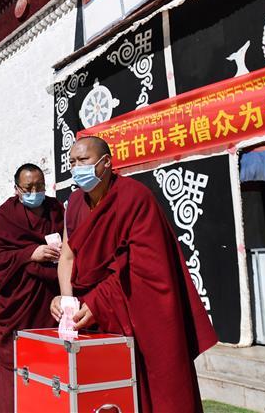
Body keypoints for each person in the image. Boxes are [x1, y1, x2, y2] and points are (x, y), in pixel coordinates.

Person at [50, 136, 218, 413]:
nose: (76, 167)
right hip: (92, 316)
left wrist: (99, 301)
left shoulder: (135, 197)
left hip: (135, 309)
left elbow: (147, 268)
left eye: (83, 160)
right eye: (72, 162)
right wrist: (69, 303)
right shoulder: (75, 204)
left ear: (106, 162)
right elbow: (67, 256)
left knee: (153, 389)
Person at [0, 163, 63, 413]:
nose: (35, 191)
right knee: (15, 361)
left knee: (51, 361)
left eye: (39, 186)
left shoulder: (56, 209)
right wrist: (31, 253)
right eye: (28, 187)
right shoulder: (7, 215)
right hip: (20, 301)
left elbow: (75, 245)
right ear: (17, 189)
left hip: (52, 296)